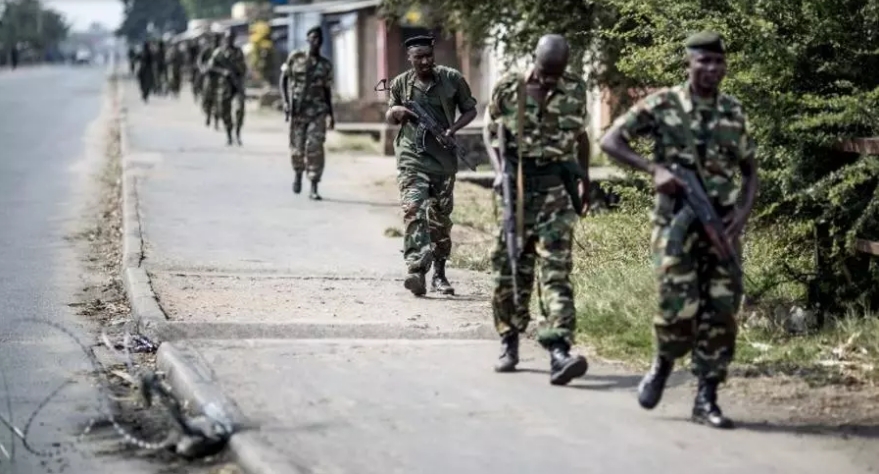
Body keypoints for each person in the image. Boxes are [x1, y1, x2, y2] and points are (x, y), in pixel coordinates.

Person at [599, 31, 759, 429]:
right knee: (677, 306)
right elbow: (610, 140)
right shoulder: (664, 104)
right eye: (703, 61)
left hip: (720, 223)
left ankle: (707, 397)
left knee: (721, 310)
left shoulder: (734, 112)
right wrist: (655, 169)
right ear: (689, 63)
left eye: (718, 62)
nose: (711, 69)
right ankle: (664, 363)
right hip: (675, 223)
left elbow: (751, 170)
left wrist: (742, 213)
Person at [483, 34, 591, 386]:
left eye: (557, 74)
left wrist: (583, 179)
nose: (550, 81)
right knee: (510, 266)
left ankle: (559, 350)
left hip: (556, 191)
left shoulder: (575, 89)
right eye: (546, 73)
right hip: (515, 189)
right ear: (535, 61)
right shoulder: (508, 88)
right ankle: (509, 340)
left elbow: (581, 138)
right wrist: (499, 170)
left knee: (556, 270)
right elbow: (490, 131)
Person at [385, 35, 477, 297]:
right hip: (411, 157)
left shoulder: (452, 79)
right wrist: (396, 112)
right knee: (414, 209)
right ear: (410, 58)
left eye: (429, 55)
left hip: (444, 161)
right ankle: (415, 269)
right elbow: (390, 114)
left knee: (440, 221)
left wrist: (453, 128)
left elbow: (470, 110)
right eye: (419, 57)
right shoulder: (400, 83)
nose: (425, 61)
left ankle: (439, 273)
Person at [280, 26, 335, 200]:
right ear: (307, 39)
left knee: (315, 148)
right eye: (312, 38)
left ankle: (314, 185)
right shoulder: (296, 58)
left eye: (318, 39)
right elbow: (284, 79)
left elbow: (327, 91)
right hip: (298, 111)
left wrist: (331, 115)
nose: (315, 42)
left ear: (321, 42)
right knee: (297, 149)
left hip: (317, 112)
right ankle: (298, 174)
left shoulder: (325, 65)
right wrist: (285, 102)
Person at [209, 30, 247, 145]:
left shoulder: (238, 52)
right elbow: (211, 67)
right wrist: (223, 71)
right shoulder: (218, 53)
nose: (230, 40)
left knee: (239, 109)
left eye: (232, 38)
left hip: (237, 85)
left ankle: (238, 133)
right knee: (225, 112)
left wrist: (238, 69)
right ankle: (229, 135)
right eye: (228, 38)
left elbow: (243, 68)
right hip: (224, 86)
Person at [199, 33, 222, 129]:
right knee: (206, 99)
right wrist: (202, 69)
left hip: (219, 79)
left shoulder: (221, 51)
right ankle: (208, 115)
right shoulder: (207, 50)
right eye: (214, 40)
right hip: (208, 78)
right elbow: (200, 61)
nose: (215, 42)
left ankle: (216, 120)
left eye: (217, 40)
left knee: (218, 101)